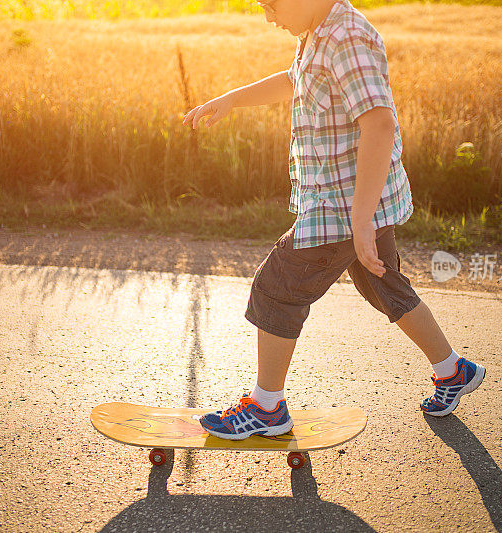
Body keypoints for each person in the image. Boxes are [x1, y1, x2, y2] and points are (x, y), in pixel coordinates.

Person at [181, 0, 485, 440]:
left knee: (277, 289)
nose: (268, 16)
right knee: (384, 285)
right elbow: (295, 81)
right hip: (359, 203)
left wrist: (360, 221)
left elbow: (379, 124)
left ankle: (266, 407)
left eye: (271, 4)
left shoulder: (346, 36)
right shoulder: (318, 30)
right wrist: (232, 99)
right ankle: (452, 370)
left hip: (343, 207)